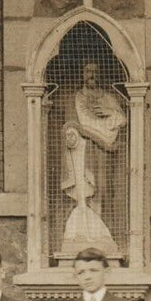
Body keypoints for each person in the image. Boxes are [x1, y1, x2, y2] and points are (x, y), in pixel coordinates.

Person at [59, 61, 125, 257]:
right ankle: (81, 234)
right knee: (83, 193)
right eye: (88, 71)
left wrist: (109, 113)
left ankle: (100, 236)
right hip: (80, 154)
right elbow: (70, 126)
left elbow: (121, 119)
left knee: (101, 191)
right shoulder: (76, 99)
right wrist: (73, 134)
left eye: (95, 71)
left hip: (102, 153)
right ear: (82, 74)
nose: (91, 75)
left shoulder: (108, 98)